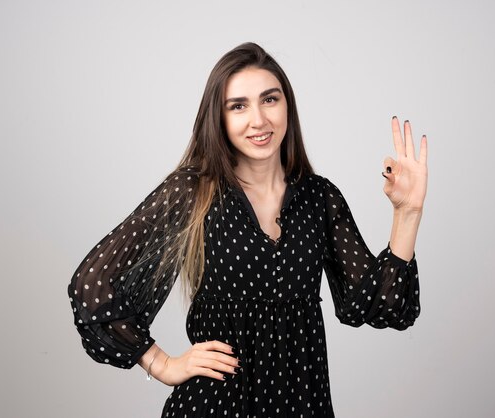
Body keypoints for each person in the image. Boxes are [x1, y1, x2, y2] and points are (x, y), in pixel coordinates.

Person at [67, 42, 428, 417]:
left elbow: (378, 306)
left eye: (269, 100)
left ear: (287, 105)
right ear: (219, 118)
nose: (258, 120)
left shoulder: (320, 198)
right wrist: (161, 364)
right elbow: (92, 285)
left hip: (302, 406)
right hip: (215, 407)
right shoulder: (193, 191)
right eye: (238, 106)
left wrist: (408, 212)